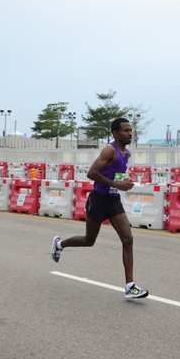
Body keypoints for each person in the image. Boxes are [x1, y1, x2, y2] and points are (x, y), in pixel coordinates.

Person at [50, 118, 149, 300]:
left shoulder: (126, 153)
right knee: (89, 240)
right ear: (116, 133)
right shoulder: (109, 150)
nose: (130, 133)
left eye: (131, 130)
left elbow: (115, 174)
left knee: (128, 239)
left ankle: (130, 286)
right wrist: (117, 184)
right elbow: (91, 173)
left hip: (113, 201)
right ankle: (59, 244)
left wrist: (123, 182)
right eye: (126, 130)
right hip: (98, 200)